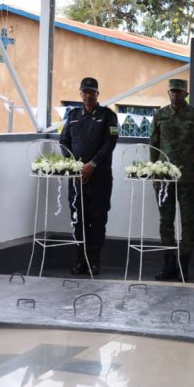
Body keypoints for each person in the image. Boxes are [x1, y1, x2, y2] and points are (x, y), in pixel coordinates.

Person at [150, 78, 194, 281]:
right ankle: (169, 265)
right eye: (172, 91)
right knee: (165, 221)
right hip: (164, 178)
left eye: (179, 91)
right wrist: (153, 171)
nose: (175, 94)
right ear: (168, 93)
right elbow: (154, 144)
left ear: (186, 93)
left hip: (189, 178)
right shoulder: (160, 115)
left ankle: (184, 267)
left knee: (187, 221)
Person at [60, 77, 119, 275]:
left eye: (91, 92)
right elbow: (64, 141)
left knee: (98, 219)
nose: (88, 96)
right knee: (78, 219)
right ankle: (81, 260)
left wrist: (92, 164)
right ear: (80, 94)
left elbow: (110, 143)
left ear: (97, 94)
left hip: (100, 178)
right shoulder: (73, 116)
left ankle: (94, 261)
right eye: (84, 92)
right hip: (77, 178)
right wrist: (74, 166)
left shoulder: (108, 116)